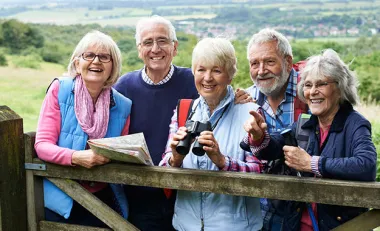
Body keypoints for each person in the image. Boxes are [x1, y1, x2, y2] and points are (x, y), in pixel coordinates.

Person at [114, 15, 250, 231]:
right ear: (139, 49)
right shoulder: (124, 87)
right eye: (148, 42)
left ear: (175, 47)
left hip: (187, 198)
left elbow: (221, 94)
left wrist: (241, 96)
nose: (155, 48)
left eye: (163, 41)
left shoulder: (194, 80)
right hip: (142, 194)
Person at [243, 49, 377, 231]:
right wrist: (259, 137)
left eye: (321, 84)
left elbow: (366, 166)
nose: (313, 92)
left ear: (339, 88)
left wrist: (311, 164)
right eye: (307, 85)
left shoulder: (354, 123)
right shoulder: (306, 122)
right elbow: (276, 147)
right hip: (299, 225)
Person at [159, 37, 264, 231]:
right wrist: (175, 158)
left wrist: (222, 161)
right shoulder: (184, 110)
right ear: (193, 72)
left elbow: (261, 172)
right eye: (201, 70)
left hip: (235, 227)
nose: (207, 78)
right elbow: (164, 167)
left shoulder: (250, 112)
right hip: (186, 225)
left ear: (230, 75)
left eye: (216, 70)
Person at [34, 30, 131, 227]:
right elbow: (42, 145)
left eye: (104, 57)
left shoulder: (123, 105)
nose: (96, 61)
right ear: (77, 62)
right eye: (89, 55)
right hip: (60, 196)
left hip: (103, 198)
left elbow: (123, 152)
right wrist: (76, 157)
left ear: (113, 66)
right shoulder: (59, 89)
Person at [245, 28, 308, 231]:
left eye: (269, 62)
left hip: (307, 215)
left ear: (288, 62)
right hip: (261, 216)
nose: (261, 70)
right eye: (254, 64)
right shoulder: (247, 100)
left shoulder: (311, 93)